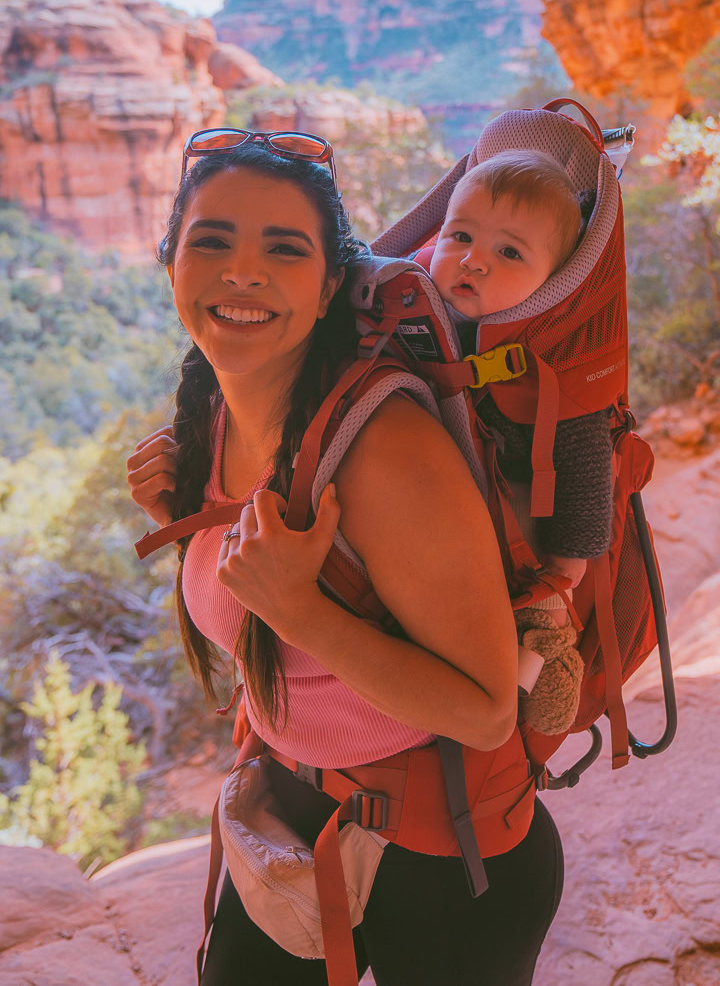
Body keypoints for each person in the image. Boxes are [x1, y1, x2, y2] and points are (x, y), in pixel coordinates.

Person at [125, 136, 564, 985]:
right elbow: (254, 603)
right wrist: (188, 525)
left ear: (329, 285)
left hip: (446, 858)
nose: (241, 273)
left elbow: (483, 713)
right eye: (211, 240)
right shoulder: (212, 416)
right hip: (293, 809)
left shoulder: (385, 449)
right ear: (168, 257)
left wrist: (304, 613)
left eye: (283, 249)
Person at [428, 149, 614, 734]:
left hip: (529, 553)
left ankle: (541, 676)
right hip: (439, 534)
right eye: (459, 236)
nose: (472, 260)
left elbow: (586, 464)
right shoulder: (413, 321)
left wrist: (568, 564)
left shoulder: (543, 373)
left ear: (551, 282)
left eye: (509, 252)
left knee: (536, 623)